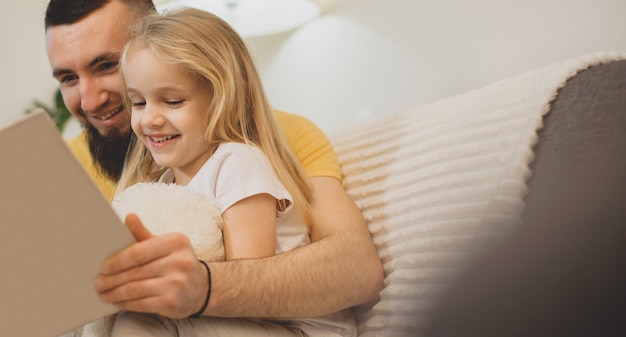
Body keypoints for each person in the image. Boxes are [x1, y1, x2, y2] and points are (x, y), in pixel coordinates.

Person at [44, 0, 382, 325]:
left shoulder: (274, 141)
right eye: (68, 78)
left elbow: (357, 270)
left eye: (105, 66)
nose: (89, 99)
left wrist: (205, 289)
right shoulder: (60, 169)